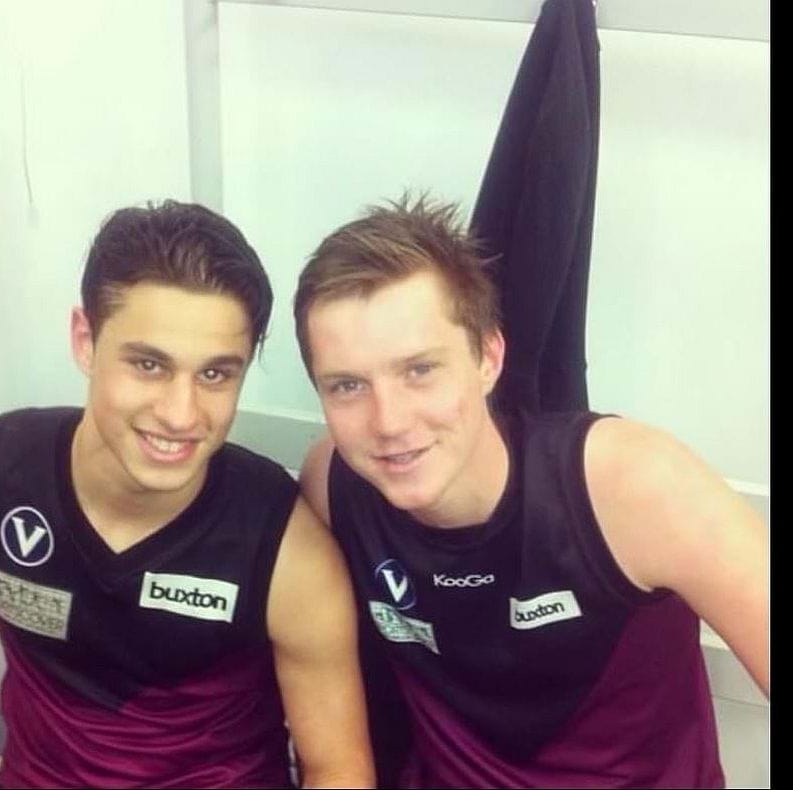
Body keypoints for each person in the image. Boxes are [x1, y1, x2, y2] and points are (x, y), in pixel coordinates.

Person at [0, 200, 374, 788]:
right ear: (85, 340)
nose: (180, 413)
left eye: (215, 374)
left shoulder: (289, 553)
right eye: (148, 364)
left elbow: (338, 768)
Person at [294, 194, 767, 787]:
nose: (388, 421)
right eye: (347, 386)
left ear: (489, 356)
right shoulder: (332, 486)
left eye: (420, 370)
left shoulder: (630, 485)